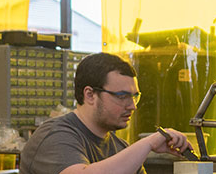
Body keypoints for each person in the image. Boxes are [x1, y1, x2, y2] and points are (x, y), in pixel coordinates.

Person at [19, 52, 192, 174]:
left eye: (134, 96)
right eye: (122, 96)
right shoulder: (55, 136)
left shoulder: (120, 148)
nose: (132, 106)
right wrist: (147, 144)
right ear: (90, 95)